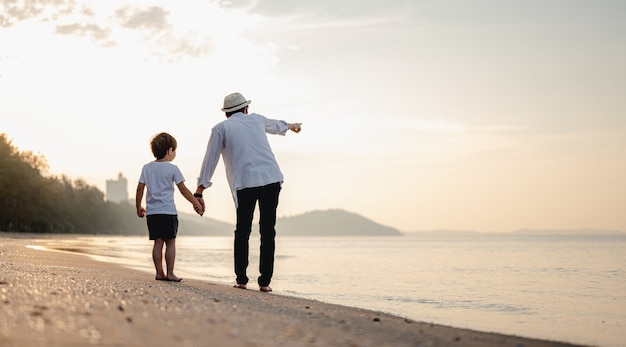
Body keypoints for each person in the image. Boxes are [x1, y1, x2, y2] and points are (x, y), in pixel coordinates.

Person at [195, 92, 301, 292]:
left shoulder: (221, 128)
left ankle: (241, 279)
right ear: (245, 109)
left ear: (227, 114)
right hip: (271, 178)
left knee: (242, 231)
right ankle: (265, 283)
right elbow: (277, 125)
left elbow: (210, 159)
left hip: (245, 183)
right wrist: (293, 125)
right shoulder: (257, 119)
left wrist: (200, 190)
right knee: (267, 230)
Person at [136, 132, 203, 282]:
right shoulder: (173, 169)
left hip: (152, 213)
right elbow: (183, 189)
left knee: (157, 242)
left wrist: (138, 206)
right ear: (169, 151)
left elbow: (140, 188)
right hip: (168, 212)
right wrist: (195, 202)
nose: (175, 153)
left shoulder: (147, 168)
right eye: (174, 150)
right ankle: (170, 272)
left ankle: (159, 273)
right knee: (170, 242)